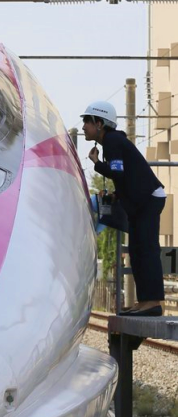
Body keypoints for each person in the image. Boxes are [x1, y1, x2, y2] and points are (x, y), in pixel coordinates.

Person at [81, 100, 166, 316]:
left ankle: (154, 302)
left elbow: (118, 173)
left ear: (99, 123)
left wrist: (97, 163)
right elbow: (126, 176)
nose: (83, 127)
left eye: (86, 122)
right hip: (140, 202)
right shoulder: (112, 142)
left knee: (147, 250)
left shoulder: (112, 141)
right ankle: (145, 301)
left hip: (148, 199)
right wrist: (118, 194)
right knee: (136, 253)